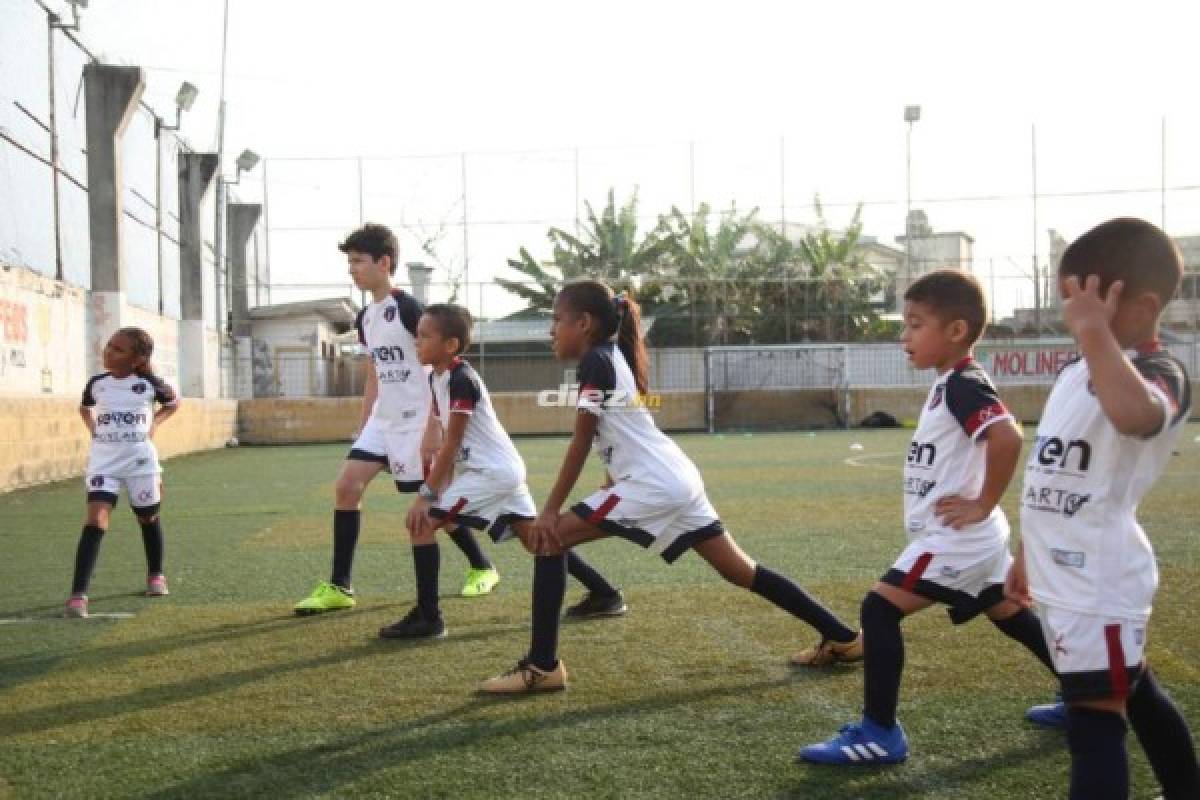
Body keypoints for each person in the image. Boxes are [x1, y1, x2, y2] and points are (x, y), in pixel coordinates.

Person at [478, 280, 860, 693]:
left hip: (654, 485)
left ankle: (541, 667)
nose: (550, 331)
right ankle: (845, 638)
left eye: (556, 320)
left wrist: (551, 510)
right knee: (740, 571)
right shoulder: (608, 358)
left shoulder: (595, 362)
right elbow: (618, 433)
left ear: (584, 323)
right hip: (674, 479)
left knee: (549, 540)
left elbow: (582, 440)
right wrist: (611, 482)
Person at [798, 269, 1057, 765]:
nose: (904, 337)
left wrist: (981, 502)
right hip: (969, 537)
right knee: (1007, 612)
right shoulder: (948, 384)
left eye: (915, 324)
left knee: (879, 609)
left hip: (956, 537)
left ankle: (880, 734)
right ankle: (1084, 696)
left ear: (955, 331)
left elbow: (1006, 436)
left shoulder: (963, 383)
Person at [1007, 218, 1197, 799]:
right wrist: (1025, 551)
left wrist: (1094, 335)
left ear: (1138, 307)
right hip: (1063, 568)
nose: (1072, 319)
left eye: (1086, 304)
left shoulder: (1160, 373)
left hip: (1101, 576)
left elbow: (1134, 416)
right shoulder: (1073, 372)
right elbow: (1052, 469)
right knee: (1132, 686)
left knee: (1093, 719)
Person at [383, 304, 626, 637]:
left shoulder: (460, 379)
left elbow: (452, 443)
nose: (417, 341)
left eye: (425, 336)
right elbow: (446, 443)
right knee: (536, 540)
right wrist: (438, 483)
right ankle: (605, 593)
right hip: (500, 471)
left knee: (422, 524)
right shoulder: (438, 377)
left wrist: (426, 496)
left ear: (451, 345)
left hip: (492, 474)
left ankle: (429, 618)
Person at [293, 224, 498, 615]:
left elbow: (439, 364)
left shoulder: (408, 309)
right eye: (349, 262)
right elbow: (374, 370)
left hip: (418, 422)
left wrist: (434, 424)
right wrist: (365, 419)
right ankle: (340, 585)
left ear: (383, 262)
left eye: (358, 261)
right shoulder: (366, 317)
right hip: (383, 421)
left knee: (434, 508)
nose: (351, 270)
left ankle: (481, 564)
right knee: (347, 487)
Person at [66, 328, 179, 617]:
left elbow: (173, 402)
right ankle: (78, 595)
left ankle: (156, 574)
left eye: (118, 350)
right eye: (109, 346)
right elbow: (84, 408)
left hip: (139, 461)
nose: (108, 352)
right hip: (104, 461)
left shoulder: (148, 384)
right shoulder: (97, 383)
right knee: (96, 520)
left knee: (147, 515)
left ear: (137, 359)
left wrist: (155, 423)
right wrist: (93, 429)